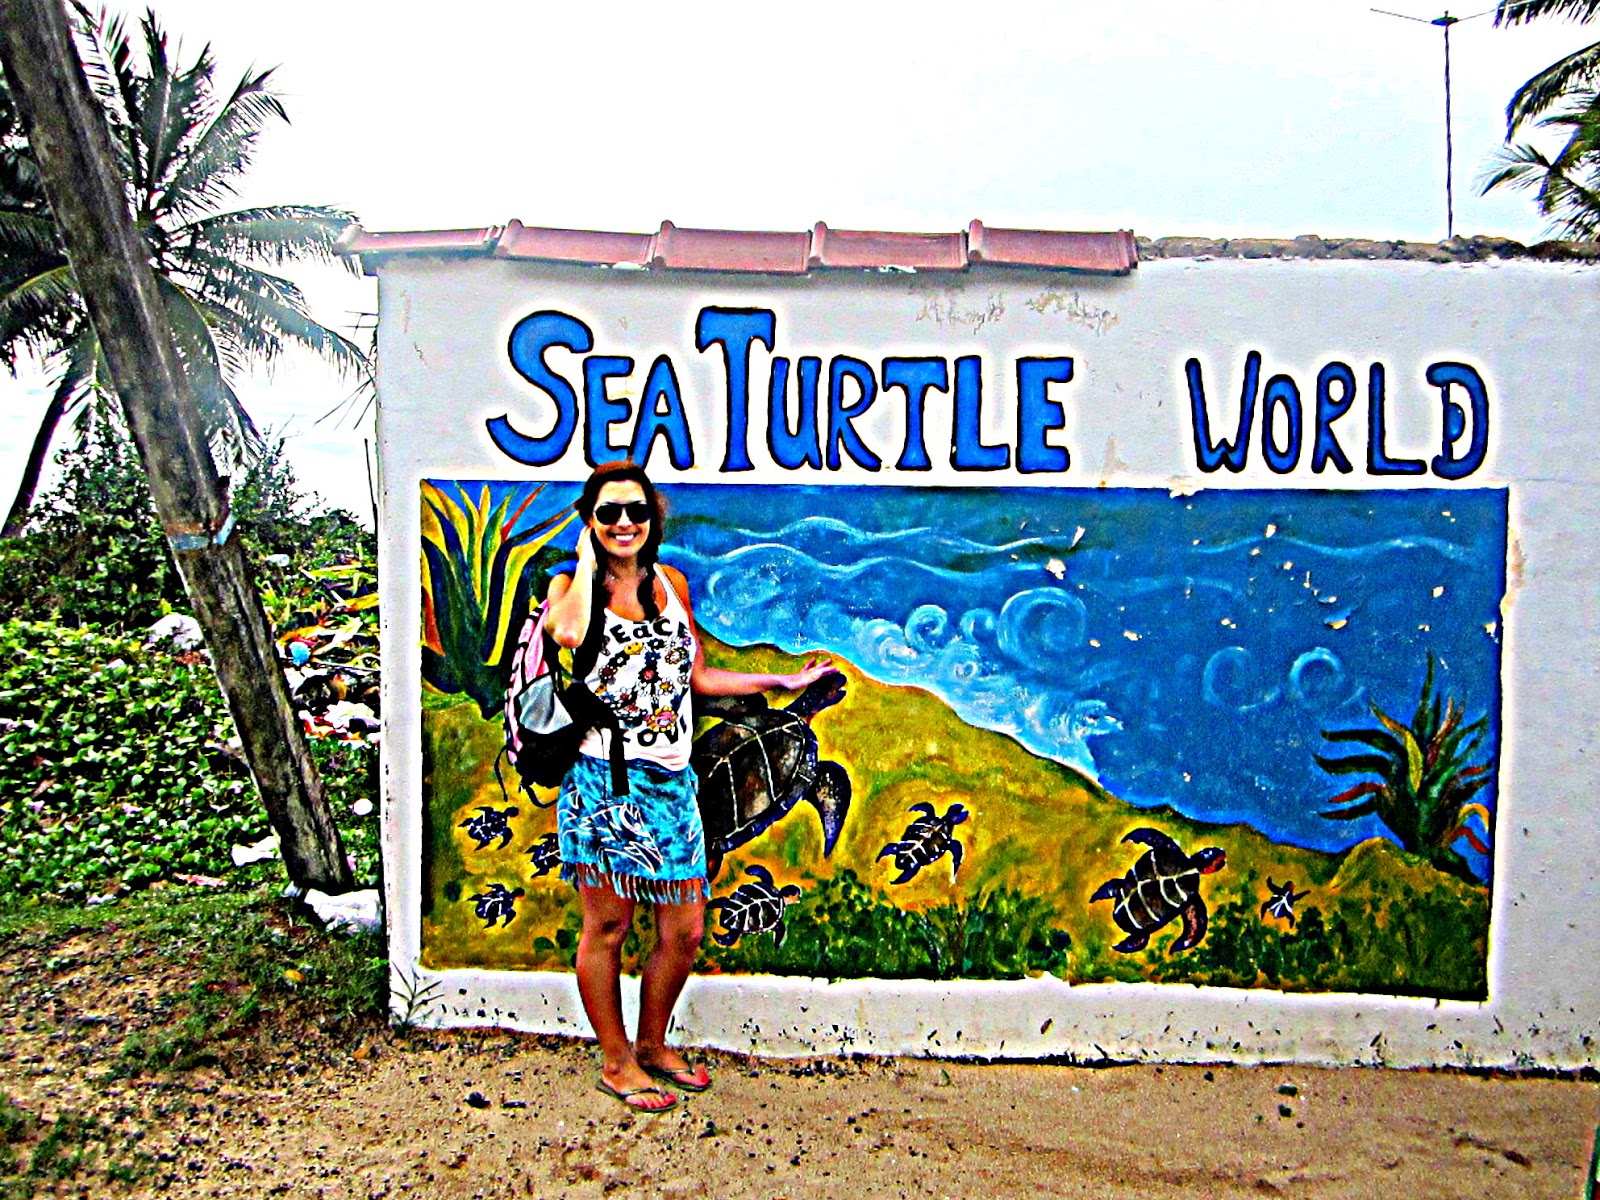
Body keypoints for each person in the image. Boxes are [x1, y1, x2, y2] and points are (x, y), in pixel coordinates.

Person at [543, 460, 836, 1113]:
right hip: (606, 784)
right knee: (608, 927)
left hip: (673, 784)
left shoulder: (671, 584)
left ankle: (652, 1044)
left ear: (653, 519)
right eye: (608, 512)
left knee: (684, 930)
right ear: (590, 520)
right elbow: (568, 633)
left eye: (636, 511)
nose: (624, 523)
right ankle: (616, 1062)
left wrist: (779, 684)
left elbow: (697, 677)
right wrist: (589, 561)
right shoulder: (571, 587)